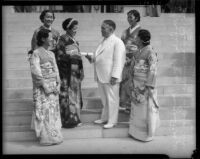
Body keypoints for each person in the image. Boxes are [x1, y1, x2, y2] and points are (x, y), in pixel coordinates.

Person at [86, 20, 126, 129]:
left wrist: (115, 75)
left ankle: (112, 121)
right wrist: (92, 58)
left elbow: (119, 60)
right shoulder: (102, 40)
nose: (101, 30)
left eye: (103, 28)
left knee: (112, 100)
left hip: (111, 76)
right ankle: (105, 117)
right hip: (101, 75)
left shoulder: (117, 42)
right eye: (101, 27)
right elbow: (99, 57)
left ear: (111, 29)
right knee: (105, 99)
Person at [29, 29, 63, 146]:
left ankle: (55, 135)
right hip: (43, 87)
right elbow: (36, 71)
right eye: (50, 37)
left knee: (53, 111)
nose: (53, 40)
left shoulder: (52, 53)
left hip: (53, 86)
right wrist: (44, 85)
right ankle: (46, 137)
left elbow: (56, 69)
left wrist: (58, 83)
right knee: (44, 111)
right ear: (43, 39)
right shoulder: (36, 53)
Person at [128, 29, 160, 142]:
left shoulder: (150, 52)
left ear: (141, 39)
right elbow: (132, 67)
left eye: (137, 37)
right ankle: (134, 132)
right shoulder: (137, 52)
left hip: (145, 85)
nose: (135, 39)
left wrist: (149, 86)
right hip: (136, 84)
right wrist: (131, 80)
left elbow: (153, 69)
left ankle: (145, 135)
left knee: (145, 110)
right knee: (136, 109)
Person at [55, 18, 84, 128]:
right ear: (68, 28)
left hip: (75, 71)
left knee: (75, 96)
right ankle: (67, 120)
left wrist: (81, 70)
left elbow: (79, 57)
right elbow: (59, 56)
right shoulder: (62, 39)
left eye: (77, 28)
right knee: (67, 96)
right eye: (74, 28)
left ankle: (76, 118)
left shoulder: (75, 40)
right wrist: (71, 55)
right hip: (67, 72)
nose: (76, 30)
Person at [120, 9, 141, 113]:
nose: (129, 19)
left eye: (131, 17)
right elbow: (121, 45)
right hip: (125, 58)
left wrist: (133, 58)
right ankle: (127, 104)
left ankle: (133, 104)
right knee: (125, 82)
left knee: (133, 82)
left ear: (136, 18)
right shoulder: (125, 31)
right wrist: (123, 57)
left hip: (135, 59)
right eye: (128, 17)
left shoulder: (140, 32)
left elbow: (141, 47)